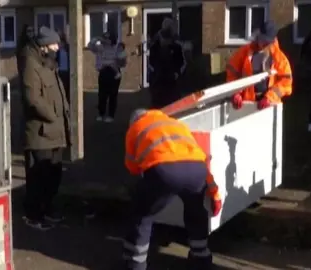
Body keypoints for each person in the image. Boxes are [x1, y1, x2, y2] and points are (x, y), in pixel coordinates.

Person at [122, 109, 222, 270]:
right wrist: (214, 193)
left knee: (143, 213)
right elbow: (201, 159)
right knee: (195, 210)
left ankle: (136, 263)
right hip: (196, 171)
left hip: (164, 172)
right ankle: (201, 256)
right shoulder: (177, 124)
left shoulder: (135, 128)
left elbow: (132, 166)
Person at [20, 26, 71, 230]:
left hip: (56, 132)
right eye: (54, 44)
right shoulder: (31, 65)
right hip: (41, 134)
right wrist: (53, 116)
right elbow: (33, 99)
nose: (57, 47)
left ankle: (48, 209)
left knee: (54, 175)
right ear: (43, 46)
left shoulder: (49, 64)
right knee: (38, 177)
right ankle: (33, 215)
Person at [227, 20, 293, 111]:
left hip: (269, 106)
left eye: (266, 41)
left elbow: (286, 82)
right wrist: (236, 93)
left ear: (273, 41)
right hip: (247, 104)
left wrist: (269, 97)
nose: (263, 43)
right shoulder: (244, 52)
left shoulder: (279, 57)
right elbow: (232, 73)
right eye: (262, 39)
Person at [88, 32, 126, 123]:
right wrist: (97, 38)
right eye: (104, 38)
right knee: (102, 95)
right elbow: (90, 45)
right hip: (103, 72)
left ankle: (111, 115)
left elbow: (123, 62)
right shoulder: (99, 48)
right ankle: (101, 114)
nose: (105, 41)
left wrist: (119, 57)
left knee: (113, 95)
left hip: (114, 73)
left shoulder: (117, 48)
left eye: (107, 39)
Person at [148, 18, 186, 109]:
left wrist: (177, 73)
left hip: (170, 80)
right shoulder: (155, 47)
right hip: (159, 80)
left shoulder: (176, 47)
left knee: (172, 103)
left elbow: (181, 62)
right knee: (159, 103)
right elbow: (151, 62)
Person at [57, 33, 70, 102]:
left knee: (67, 89)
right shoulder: (57, 51)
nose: (59, 44)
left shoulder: (68, 49)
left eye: (61, 42)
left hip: (67, 72)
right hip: (60, 72)